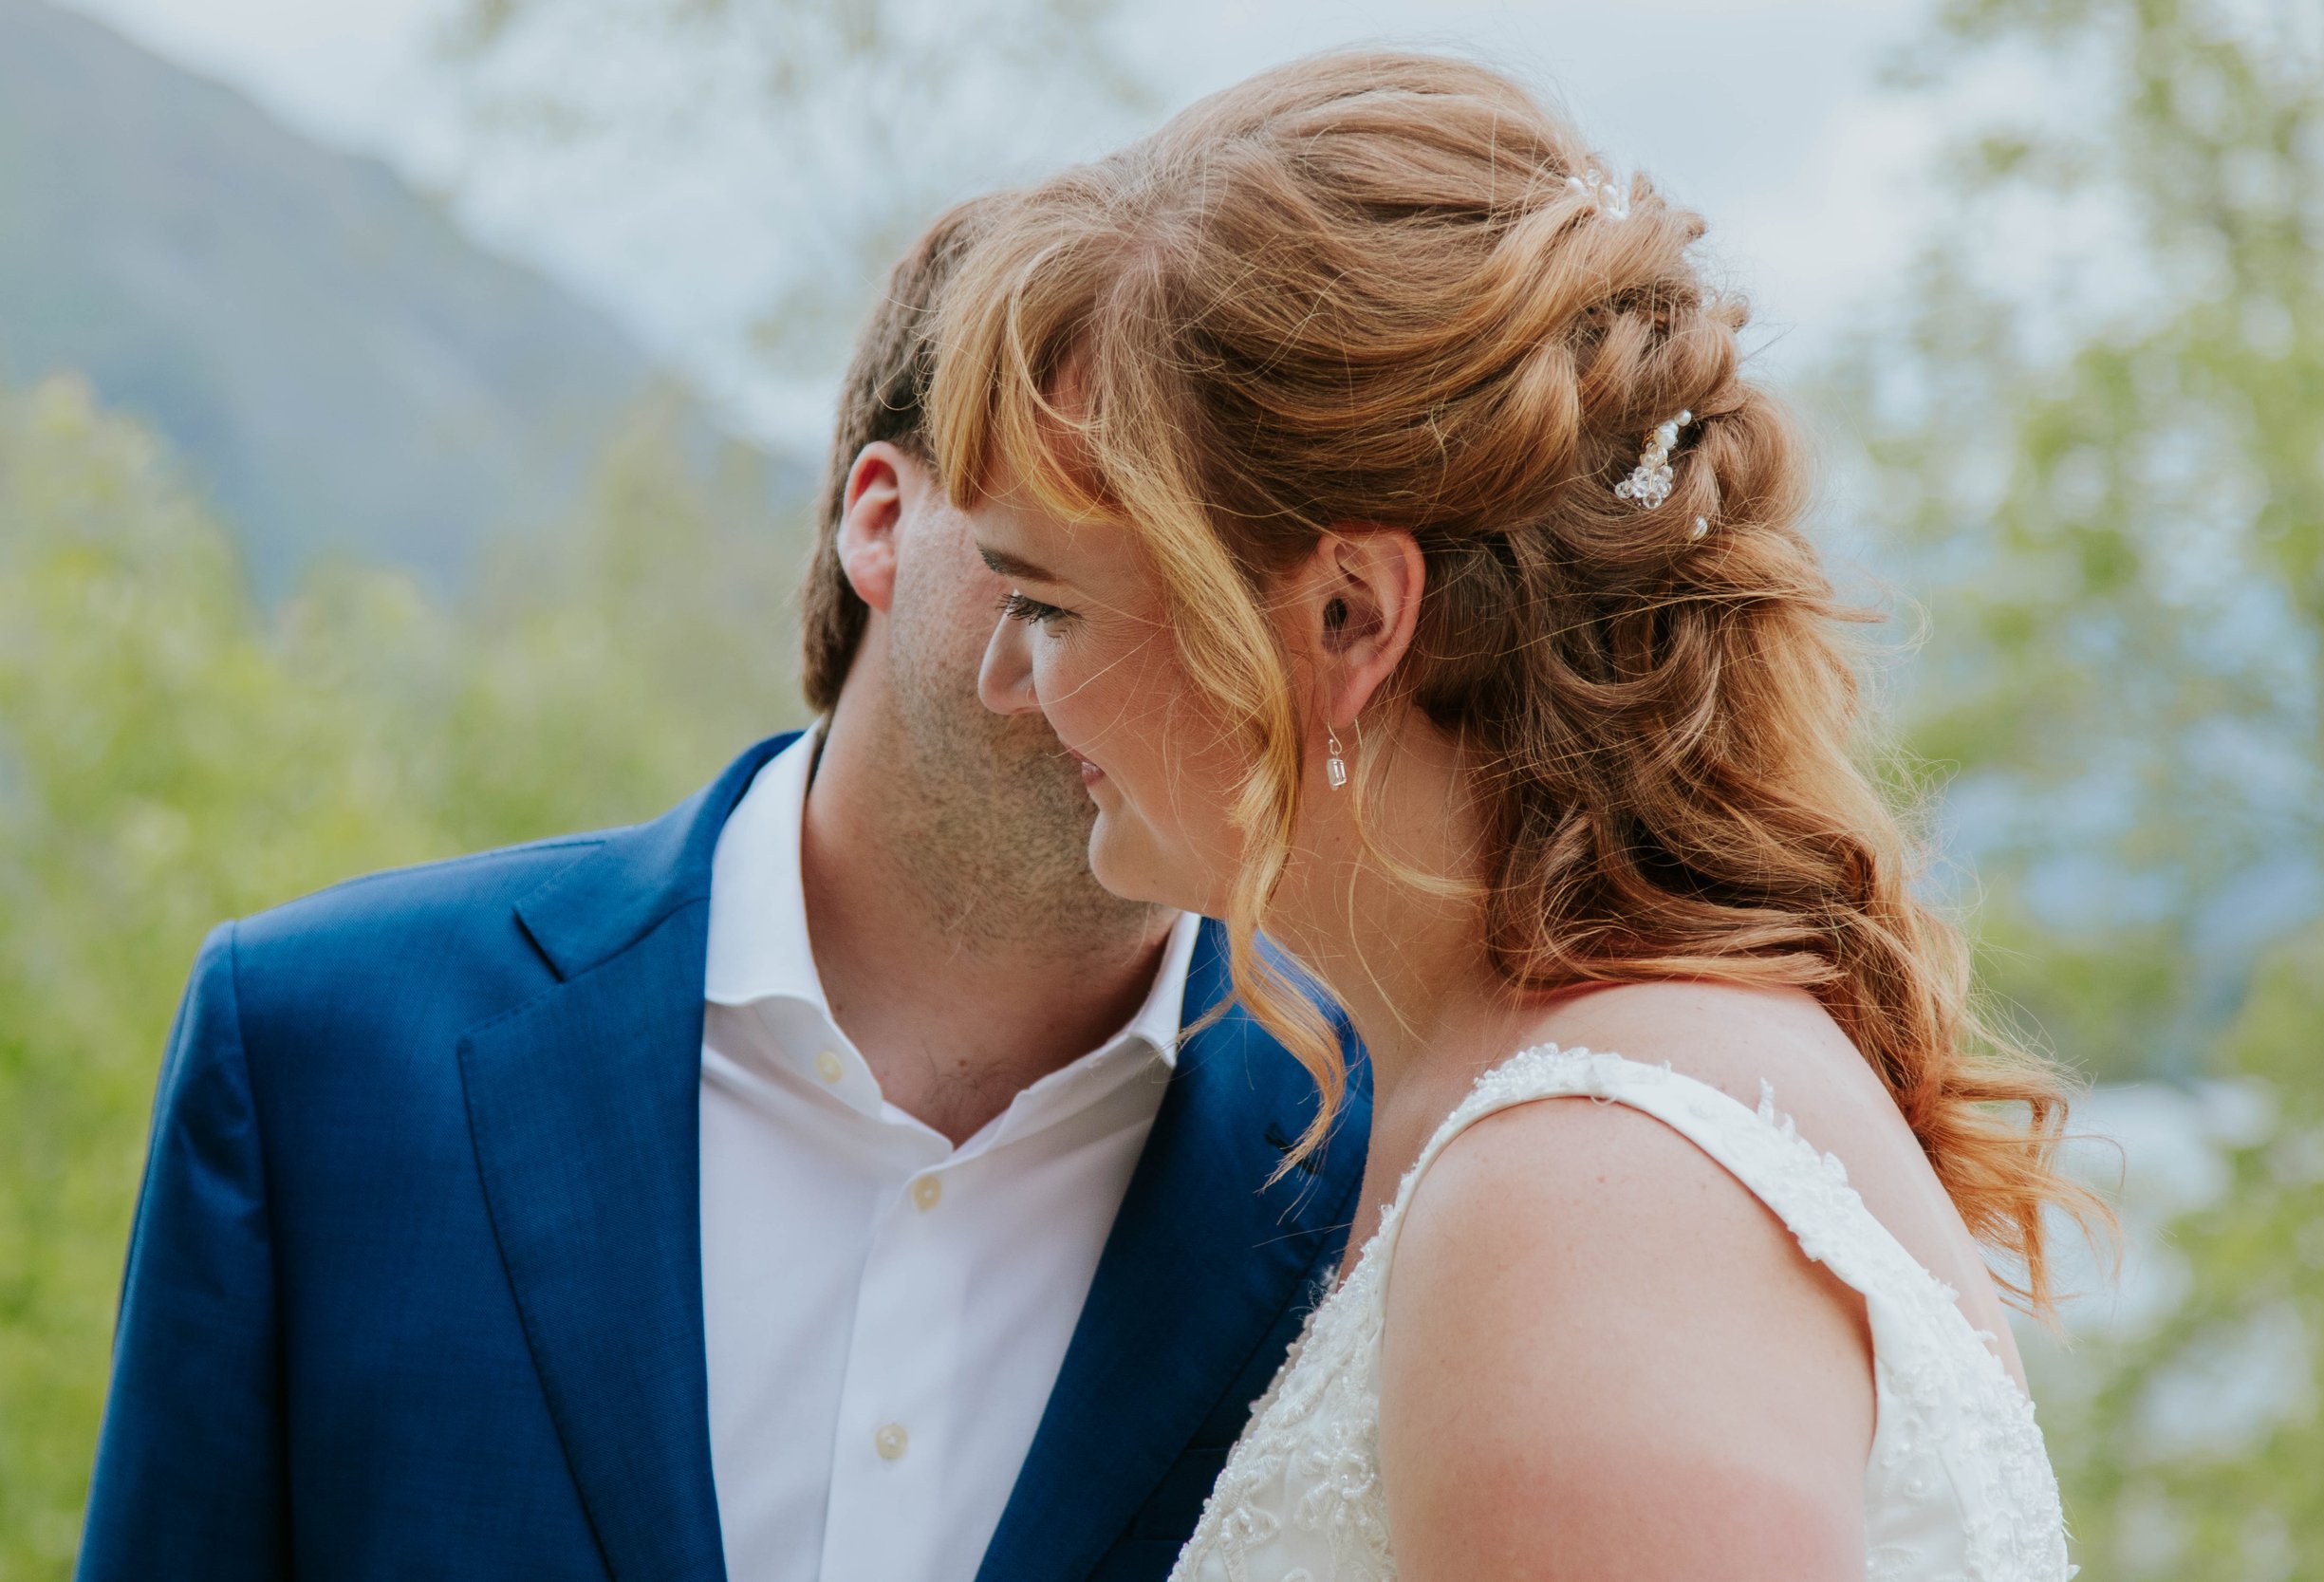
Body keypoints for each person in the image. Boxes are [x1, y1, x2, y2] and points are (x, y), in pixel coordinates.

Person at [74, 198, 1367, 1582]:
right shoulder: (317, 1047)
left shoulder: (1370, 1151)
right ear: (883, 521)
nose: (1155, 655)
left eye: (1214, 585)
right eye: (1077, 552)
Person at [936, 52, 2103, 1581]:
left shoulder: (1587, 1197)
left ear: (1349, 615)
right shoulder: (1551, 1102)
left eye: (1046, 602)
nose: (1004, 683)